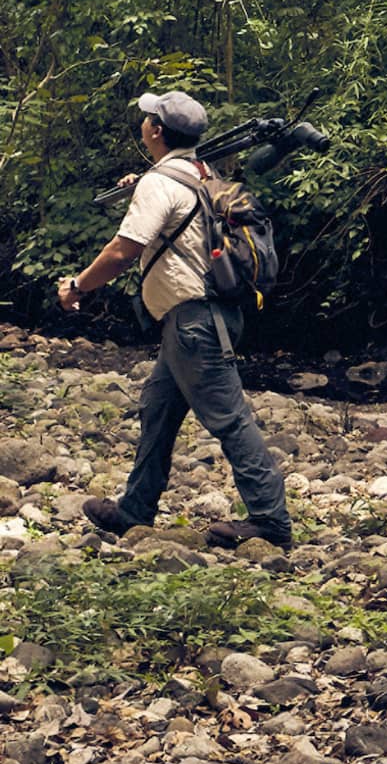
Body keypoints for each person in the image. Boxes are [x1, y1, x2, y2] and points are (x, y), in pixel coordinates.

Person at [57, 90, 292, 550]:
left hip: (195, 324)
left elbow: (123, 251)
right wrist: (142, 182)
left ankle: (271, 521)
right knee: (158, 411)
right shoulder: (201, 174)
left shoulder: (160, 182)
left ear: (157, 131)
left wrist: (78, 286)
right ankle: (134, 511)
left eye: (147, 118)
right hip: (202, 319)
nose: (143, 123)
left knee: (231, 421)